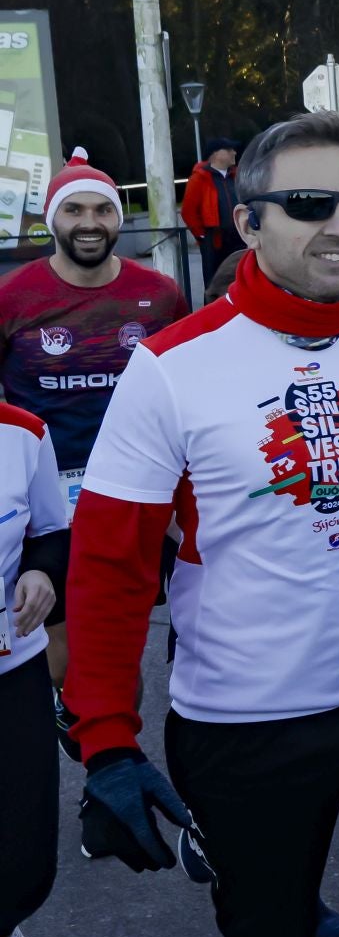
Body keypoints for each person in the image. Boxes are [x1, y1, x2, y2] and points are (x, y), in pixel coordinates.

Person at [62, 111, 339, 937]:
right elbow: (110, 568)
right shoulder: (170, 367)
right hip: (242, 723)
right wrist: (107, 739)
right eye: (306, 205)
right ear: (249, 221)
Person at [0, 150, 188, 745]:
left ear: (118, 218)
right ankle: (83, 730)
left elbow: (189, 389)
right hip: (48, 506)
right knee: (63, 658)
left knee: (120, 650)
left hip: (141, 492)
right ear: (52, 219)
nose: (89, 221)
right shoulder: (15, 297)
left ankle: (108, 774)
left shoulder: (159, 296)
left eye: (103, 209)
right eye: (74, 209)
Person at [0, 399, 69, 937]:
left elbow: (52, 532)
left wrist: (41, 572)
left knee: (22, 840)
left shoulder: (23, 433)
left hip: (12, 667)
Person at [181, 138, 244, 296]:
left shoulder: (236, 177)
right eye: (229, 149)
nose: (234, 153)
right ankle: (213, 313)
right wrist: (202, 235)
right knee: (213, 281)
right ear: (215, 154)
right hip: (214, 239)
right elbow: (188, 210)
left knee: (240, 276)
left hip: (238, 237)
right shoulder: (199, 178)